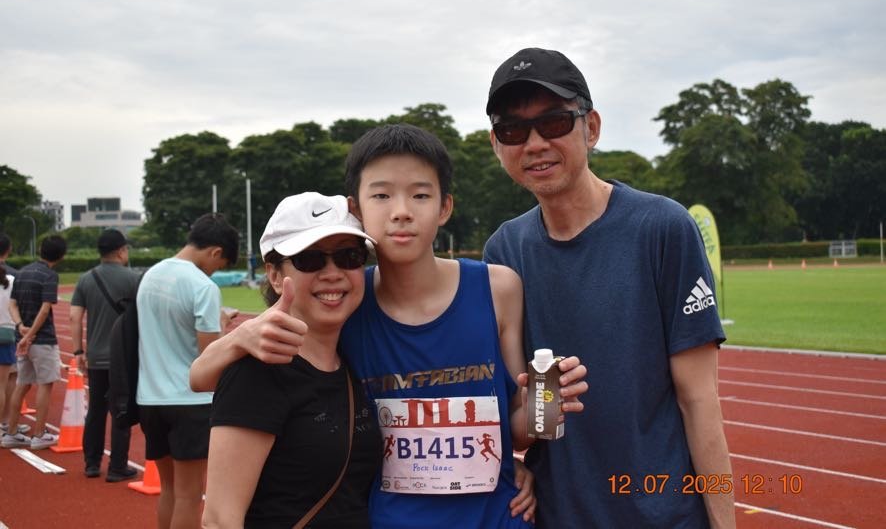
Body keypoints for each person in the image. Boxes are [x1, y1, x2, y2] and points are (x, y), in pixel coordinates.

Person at [192, 124, 589, 529]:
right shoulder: (345, 299)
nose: (401, 210)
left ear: (445, 206)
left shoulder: (498, 287)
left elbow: (517, 432)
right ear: (357, 209)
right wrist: (240, 335)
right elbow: (209, 378)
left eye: (420, 194)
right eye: (381, 195)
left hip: (496, 518)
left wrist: (548, 407)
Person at [482, 47, 734, 528]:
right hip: (558, 517)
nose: (534, 143)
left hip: (664, 515)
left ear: (591, 127)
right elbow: (522, 422)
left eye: (554, 122)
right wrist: (536, 419)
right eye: (513, 130)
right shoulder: (505, 251)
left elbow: (699, 401)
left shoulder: (662, 228)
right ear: (497, 145)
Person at [201, 193, 382, 528]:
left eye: (349, 256)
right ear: (272, 274)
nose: (333, 273)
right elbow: (219, 519)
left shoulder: (354, 356)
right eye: (309, 259)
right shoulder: (258, 372)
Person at [137, 213, 238, 529]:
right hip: (188, 401)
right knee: (189, 495)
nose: (215, 271)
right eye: (219, 266)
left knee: (168, 490)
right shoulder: (202, 286)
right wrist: (223, 326)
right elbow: (208, 357)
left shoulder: (150, 276)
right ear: (215, 252)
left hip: (150, 398)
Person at [69, 229, 141, 481]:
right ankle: (117, 467)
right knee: (122, 410)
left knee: (96, 411)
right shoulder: (133, 279)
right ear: (121, 250)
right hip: (124, 358)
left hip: (96, 356)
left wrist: (78, 350)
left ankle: (91, 464)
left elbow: (74, 317)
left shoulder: (86, 279)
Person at [2, 235, 67, 450]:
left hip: (22, 337)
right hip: (43, 339)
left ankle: (10, 432)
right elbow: (46, 307)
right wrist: (31, 335)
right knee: (45, 384)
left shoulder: (22, 273)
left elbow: (13, 304)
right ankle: (39, 434)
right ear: (62, 256)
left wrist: (21, 326)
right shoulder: (50, 276)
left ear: (40, 249)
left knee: (22, 384)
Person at [0, 233, 27, 436]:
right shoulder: (12, 278)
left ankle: (6, 423)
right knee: (7, 381)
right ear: (8, 250)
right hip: (6, 332)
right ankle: (5, 422)